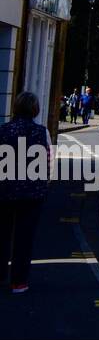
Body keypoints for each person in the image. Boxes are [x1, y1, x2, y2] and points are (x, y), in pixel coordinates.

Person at [0, 92, 50, 294]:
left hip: (4, 190)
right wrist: (45, 185)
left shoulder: (3, 130)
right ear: (35, 110)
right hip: (31, 193)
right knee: (24, 238)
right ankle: (18, 282)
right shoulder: (41, 132)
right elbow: (47, 163)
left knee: (2, 235)